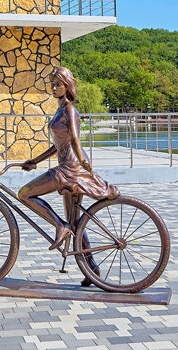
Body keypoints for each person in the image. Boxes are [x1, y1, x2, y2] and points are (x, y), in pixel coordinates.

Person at [19, 66, 119, 284]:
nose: (54, 88)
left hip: (69, 170)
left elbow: (74, 139)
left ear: (68, 85)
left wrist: (84, 162)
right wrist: (34, 161)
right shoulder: (59, 110)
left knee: (24, 194)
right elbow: (59, 145)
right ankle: (91, 270)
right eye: (52, 84)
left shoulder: (69, 110)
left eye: (58, 84)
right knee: (76, 223)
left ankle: (59, 225)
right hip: (68, 168)